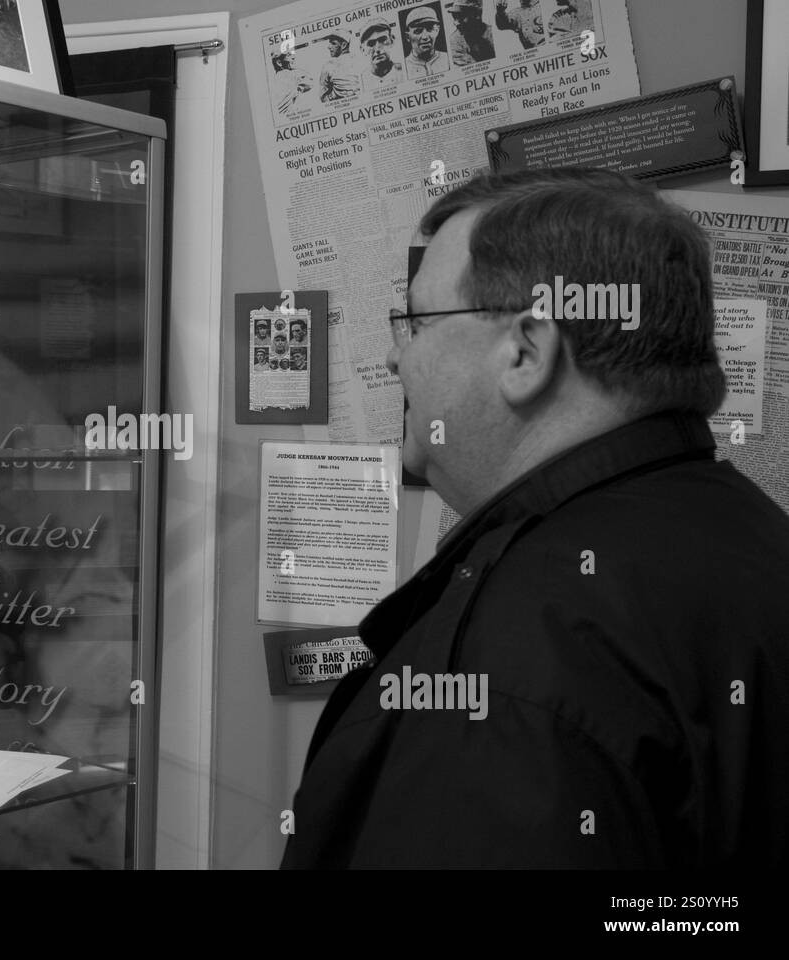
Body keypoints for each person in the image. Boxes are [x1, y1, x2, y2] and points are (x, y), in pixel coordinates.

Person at [282, 167, 789, 868]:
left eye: (418, 321)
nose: (393, 355)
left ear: (526, 351)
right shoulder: (755, 537)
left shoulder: (521, 649)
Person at [402, 6, 449, 78]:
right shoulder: (403, 68)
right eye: (418, 31)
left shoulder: (448, 59)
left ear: (437, 30)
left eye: (430, 29)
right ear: (407, 37)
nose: (425, 37)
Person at [445, 0, 495, 65]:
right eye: (454, 17)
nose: (455, 23)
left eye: (461, 17)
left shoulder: (493, 33)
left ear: (477, 14)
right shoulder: (455, 40)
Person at [317, 29, 359, 103]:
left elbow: (322, 95)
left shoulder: (329, 65)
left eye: (333, 43)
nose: (329, 47)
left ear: (343, 45)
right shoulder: (358, 60)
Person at [271, 49, 315, 117]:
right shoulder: (290, 74)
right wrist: (295, 67)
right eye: (288, 55)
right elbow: (311, 82)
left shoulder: (276, 77)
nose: (293, 57)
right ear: (279, 63)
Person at [359, 21, 403, 85]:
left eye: (382, 40)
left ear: (392, 40)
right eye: (371, 44)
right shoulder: (361, 81)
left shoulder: (403, 71)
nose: (377, 49)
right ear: (362, 49)